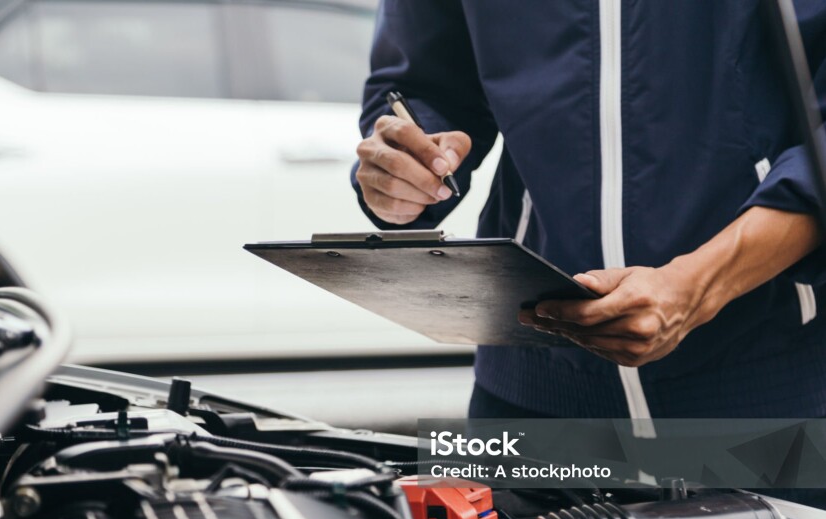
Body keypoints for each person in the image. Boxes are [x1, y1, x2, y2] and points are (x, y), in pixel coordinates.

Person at [352, 1, 826, 420]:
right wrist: (404, 166)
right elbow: (421, 85)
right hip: (530, 395)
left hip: (776, 394)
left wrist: (700, 284)